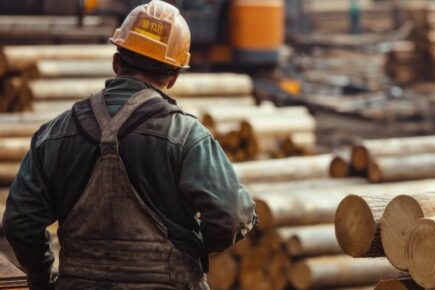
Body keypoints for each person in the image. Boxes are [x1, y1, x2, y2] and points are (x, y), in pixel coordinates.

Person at [2, 1, 257, 289]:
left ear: (115, 62)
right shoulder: (186, 136)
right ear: (173, 77)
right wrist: (190, 247)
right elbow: (233, 216)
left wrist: (42, 277)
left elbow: (19, 222)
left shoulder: (55, 134)